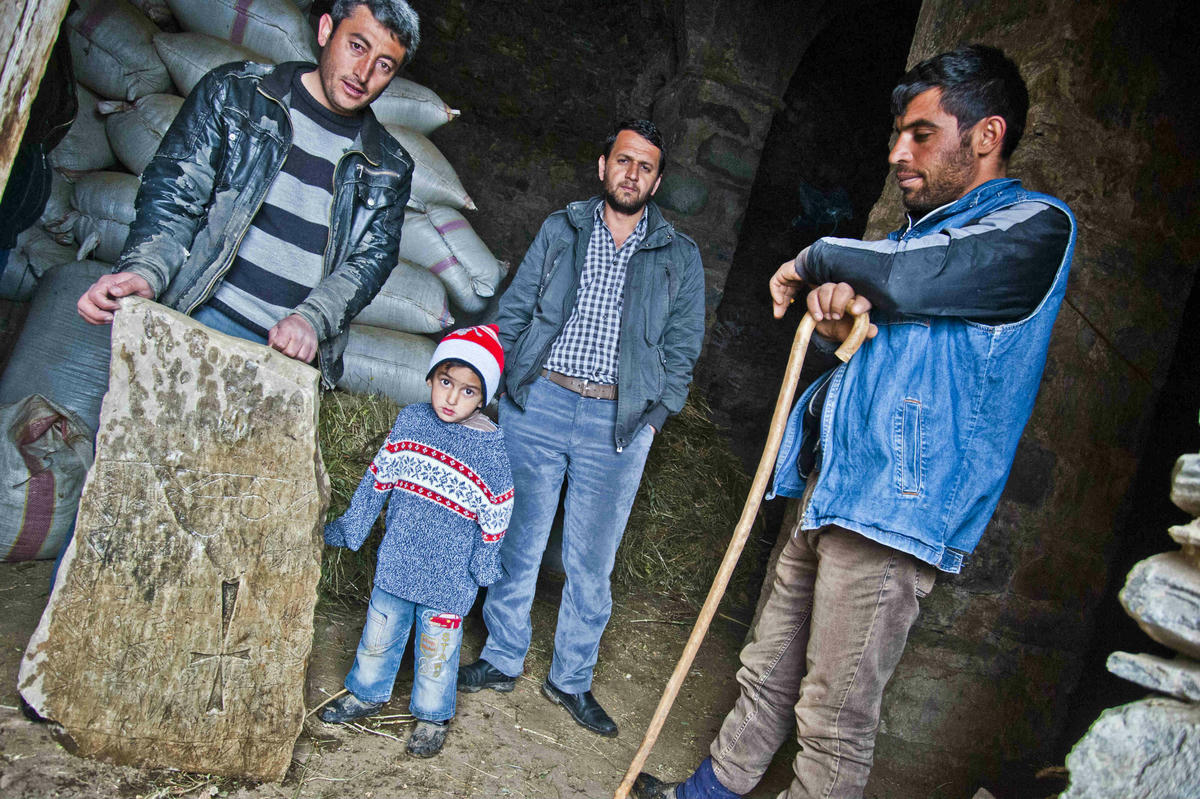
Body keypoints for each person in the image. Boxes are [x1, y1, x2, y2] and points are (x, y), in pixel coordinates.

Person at [633, 44, 1076, 799]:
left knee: (834, 716)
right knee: (766, 666)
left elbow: (917, 278)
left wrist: (821, 258)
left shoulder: (1033, 228)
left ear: (987, 134)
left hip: (897, 507)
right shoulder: (913, 236)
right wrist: (844, 322)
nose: (898, 152)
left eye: (921, 134)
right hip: (835, 480)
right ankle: (706, 794)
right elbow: (896, 345)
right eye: (897, 133)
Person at [456, 119, 707, 738]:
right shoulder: (563, 227)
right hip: (539, 402)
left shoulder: (679, 255)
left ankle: (570, 679)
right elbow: (515, 309)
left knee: (591, 561)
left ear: (657, 180)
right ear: (603, 167)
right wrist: (504, 383)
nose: (632, 174)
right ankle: (501, 656)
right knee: (518, 540)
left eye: (646, 167)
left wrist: (655, 414)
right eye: (624, 161)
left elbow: (683, 347)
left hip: (617, 421)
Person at [75, 0, 419, 387]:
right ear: (326, 31)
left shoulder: (388, 166)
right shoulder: (237, 94)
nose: (364, 72)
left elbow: (370, 261)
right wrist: (145, 270)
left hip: (286, 356)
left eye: (384, 65)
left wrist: (312, 319)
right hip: (195, 313)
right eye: (357, 46)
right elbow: (175, 190)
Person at [319, 325, 513, 757]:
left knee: (437, 649)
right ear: (430, 378)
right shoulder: (410, 422)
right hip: (399, 559)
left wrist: (483, 565)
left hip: (450, 576)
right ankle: (366, 693)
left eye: (467, 391)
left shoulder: (491, 450)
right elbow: (377, 481)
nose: (451, 398)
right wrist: (353, 528)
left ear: (483, 399)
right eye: (446, 382)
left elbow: (497, 513)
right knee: (379, 632)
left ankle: (431, 716)